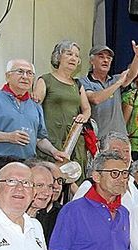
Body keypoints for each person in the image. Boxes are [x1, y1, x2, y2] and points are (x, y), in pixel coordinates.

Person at [0, 59, 68, 182]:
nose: (25, 77)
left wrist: (54, 151)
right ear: (8, 76)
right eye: (20, 72)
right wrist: (8, 137)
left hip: (27, 163)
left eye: (29, 73)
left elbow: (40, 138)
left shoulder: (35, 105)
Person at [33, 40, 91, 175]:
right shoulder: (45, 80)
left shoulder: (77, 84)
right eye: (69, 54)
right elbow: (35, 107)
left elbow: (87, 109)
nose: (73, 58)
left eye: (76, 56)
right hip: (50, 140)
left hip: (73, 140)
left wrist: (84, 116)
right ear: (58, 57)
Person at [81, 42, 138, 142]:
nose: (106, 60)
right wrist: (118, 83)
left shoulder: (115, 79)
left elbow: (131, 75)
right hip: (98, 140)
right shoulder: (84, 81)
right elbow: (95, 99)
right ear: (91, 61)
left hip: (120, 138)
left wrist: (137, 56)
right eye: (101, 57)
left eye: (109, 58)